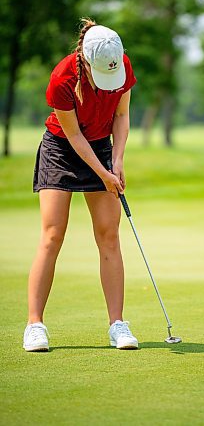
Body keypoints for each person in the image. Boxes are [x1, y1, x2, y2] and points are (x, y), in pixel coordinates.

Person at [23, 18, 139, 351]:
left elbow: (121, 115)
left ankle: (117, 324)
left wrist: (116, 161)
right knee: (53, 233)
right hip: (61, 149)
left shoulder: (121, 64)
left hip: (102, 147)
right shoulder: (62, 77)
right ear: (85, 61)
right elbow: (73, 134)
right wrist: (103, 174)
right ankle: (35, 325)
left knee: (109, 234)